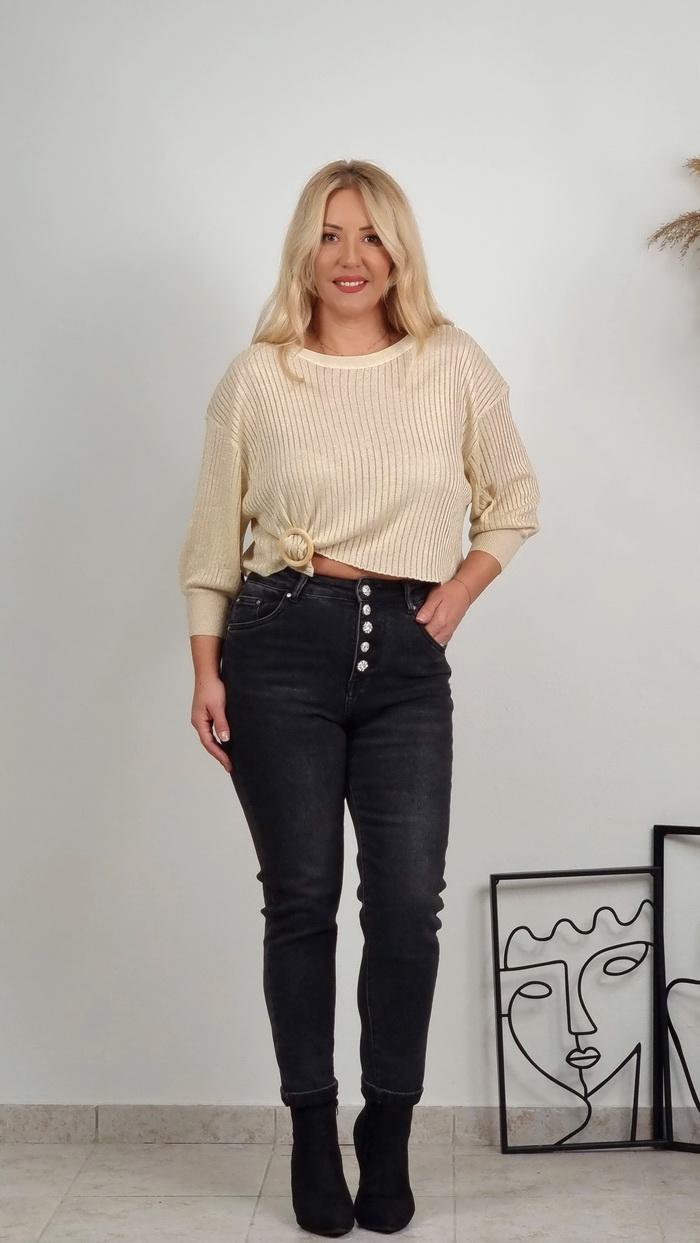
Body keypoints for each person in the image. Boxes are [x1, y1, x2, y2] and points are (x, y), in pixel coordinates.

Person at [178, 158, 541, 1237]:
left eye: (372, 235)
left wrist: (456, 595)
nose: (350, 257)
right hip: (277, 646)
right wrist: (205, 668)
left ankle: (386, 1129)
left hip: (407, 658)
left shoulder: (450, 362)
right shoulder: (259, 378)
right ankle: (309, 1130)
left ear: (399, 252)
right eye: (331, 235)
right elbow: (212, 542)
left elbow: (514, 496)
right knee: (300, 900)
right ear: (305, 251)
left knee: (407, 906)